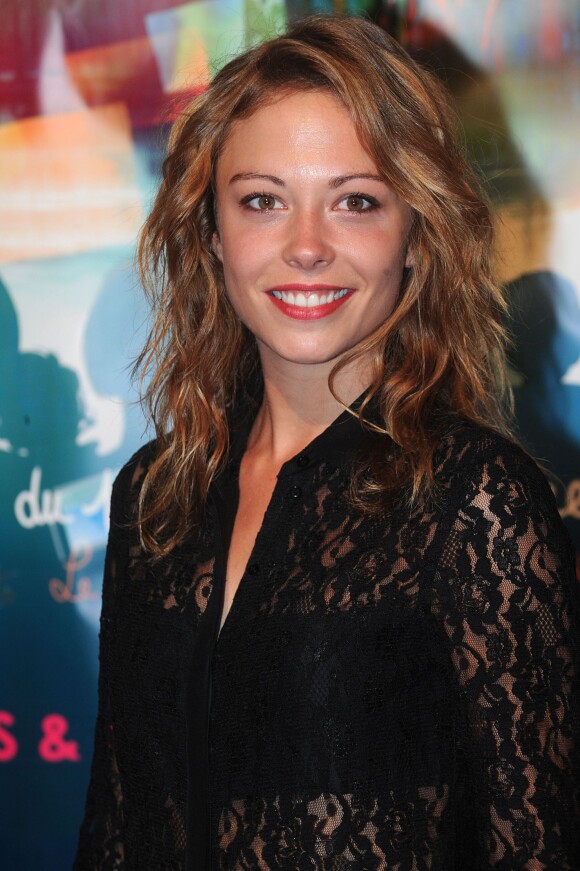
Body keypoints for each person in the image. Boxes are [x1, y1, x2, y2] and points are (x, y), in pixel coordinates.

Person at [74, 14, 580, 870]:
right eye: (263, 200)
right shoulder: (153, 495)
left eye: (356, 201)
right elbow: (118, 820)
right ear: (211, 234)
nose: (306, 247)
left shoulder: (477, 502)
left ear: (417, 235)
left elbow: (539, 846)